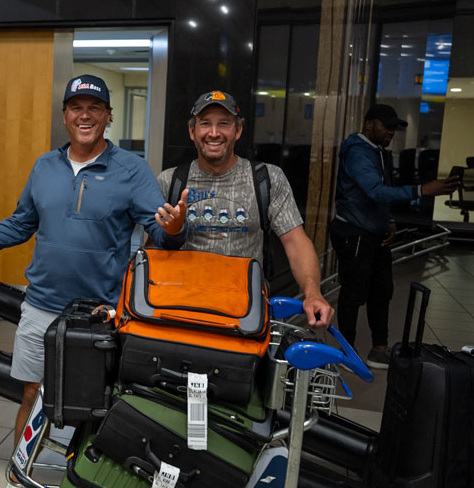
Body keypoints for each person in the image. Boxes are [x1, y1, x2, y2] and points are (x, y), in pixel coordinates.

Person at [0, 74, 187, 488]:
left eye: (94, 108)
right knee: (31, 395)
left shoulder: (131, 170)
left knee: (97, 406)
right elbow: (20, 224)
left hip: (100, 315)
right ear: (65, 115)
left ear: (108, 116)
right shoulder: (44, 167)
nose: (85, 115)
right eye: (76, 107)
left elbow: (161, 235)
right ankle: (17, 485)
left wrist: (176, 228)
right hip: (41, 306)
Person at [158, 90, 333, 328]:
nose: (214, 133)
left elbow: (296, 241)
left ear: (238, 130)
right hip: (183, 310)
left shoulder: (268, 178)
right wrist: (173, 233)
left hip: (245, 312)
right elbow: (153, 249)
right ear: (192, 131)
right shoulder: (171, 181)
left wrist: (313, 293)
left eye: (224, 124)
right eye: (205, 124)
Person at [331, 103, 458, 367]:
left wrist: (387, 220)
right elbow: (375, 191)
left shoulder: (378, 151)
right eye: (386, 126)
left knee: (382, 291)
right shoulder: (357, 152)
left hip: (375, 232)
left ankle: (379, 350)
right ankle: (347, 353)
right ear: (369, 124)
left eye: (394, 128)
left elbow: (383, 191)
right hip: (354, 232)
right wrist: (422, 190)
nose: (391, 132)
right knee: (354, 294)